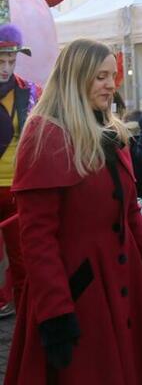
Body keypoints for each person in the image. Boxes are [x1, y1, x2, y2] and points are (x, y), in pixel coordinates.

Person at [5, 38, 142, 384]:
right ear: (75, 77)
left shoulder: (112, 133)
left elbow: (130, 215)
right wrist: (56, 314)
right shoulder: (45, 135)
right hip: (78, 294)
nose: (110, 84)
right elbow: (37, 238)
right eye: (100, 76)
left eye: (112, 75)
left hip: (124, 283)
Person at [0, 17, 41, 319]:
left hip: (17, 187)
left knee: (21, 253)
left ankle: (25, 307)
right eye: (0, 60)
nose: (5, 67)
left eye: (10, 61)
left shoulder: (30, 92)